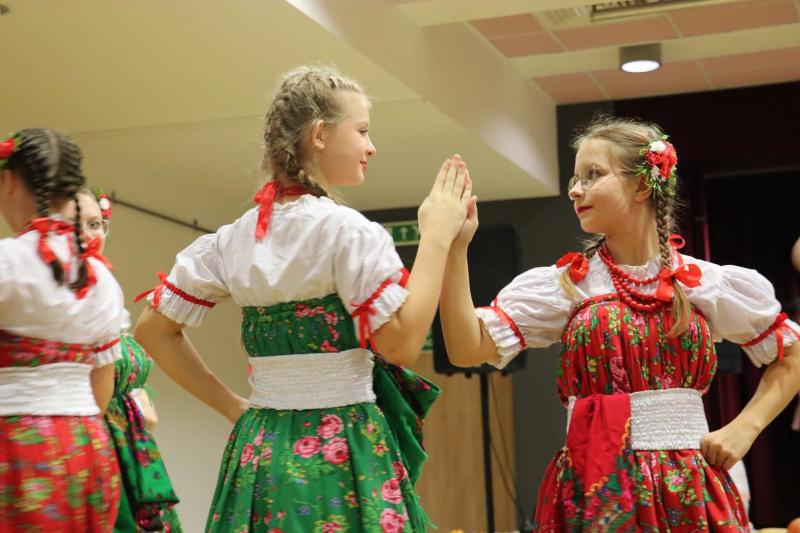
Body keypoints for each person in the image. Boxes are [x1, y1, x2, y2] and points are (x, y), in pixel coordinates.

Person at [134, 65, 471, 532]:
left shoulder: (232, 239)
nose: (371, 146)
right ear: (319, 135)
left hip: (261, 449)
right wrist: (435, 236)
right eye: (362, 131)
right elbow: (400, 345)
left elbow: (152, 330)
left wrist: (233, 406)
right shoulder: (347, 231)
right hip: (344, 446)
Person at [439, 115, 800, 531]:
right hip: (596, 481)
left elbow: (791, 355)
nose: (575, 190)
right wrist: (455, 250)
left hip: (687, 482)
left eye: (592, 175)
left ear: (643, 185)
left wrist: (745, 428)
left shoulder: (706, 283)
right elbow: (467, 348)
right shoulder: (567, 284)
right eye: (575, 178)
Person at [0, 128, 124, 530]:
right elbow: (102, 384)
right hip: (86, 445)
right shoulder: (102, 279)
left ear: (9, 181)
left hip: (17, 442)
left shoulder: (7, 262)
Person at [70, 189, 183, 532]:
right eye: (74, 224)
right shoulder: (51, 302)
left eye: (95, 224)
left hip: (129, 450)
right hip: (82, 449)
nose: (87, 234)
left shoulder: (104, 294)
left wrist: (140, 397)